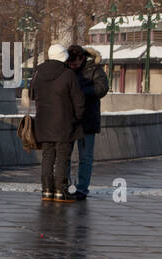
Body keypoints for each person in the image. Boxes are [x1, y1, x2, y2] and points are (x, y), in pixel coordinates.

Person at [29, 43, 84, 203]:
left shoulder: (38, 73)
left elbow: (32, 94)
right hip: (65, 123)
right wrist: (77, 118)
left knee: (47, 157)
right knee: (62, 158)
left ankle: (46, 190)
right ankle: (61, 191)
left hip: (44, 123)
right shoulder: (68, 74)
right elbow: (79, 101)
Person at [69, 46, 109, 200]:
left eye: (74, 63)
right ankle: (65, 185)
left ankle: (82, 188)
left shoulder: (95, 69)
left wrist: (80, 92)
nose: (72, 66)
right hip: (70, 119)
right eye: (70, 63)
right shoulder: (66, 67)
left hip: (88, 119)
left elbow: (102, 88)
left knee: (85, 158)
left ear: (82, 58)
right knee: (64, 155)